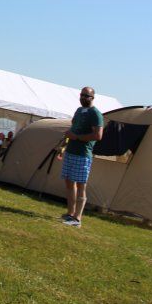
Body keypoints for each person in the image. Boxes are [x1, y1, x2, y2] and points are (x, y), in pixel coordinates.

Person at [61, 86, 104, 227]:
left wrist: (77, 137)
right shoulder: (79, 111)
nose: (83, 98)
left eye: (86, 96)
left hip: (83, 155)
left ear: (92, 98)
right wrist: (64, 144)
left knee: (81, 185)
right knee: (69, 182)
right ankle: (70, 213)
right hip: (70, 151)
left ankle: (77, 219)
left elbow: (98, 135)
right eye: (82, 95)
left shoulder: (95, 114)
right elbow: (73, 128)